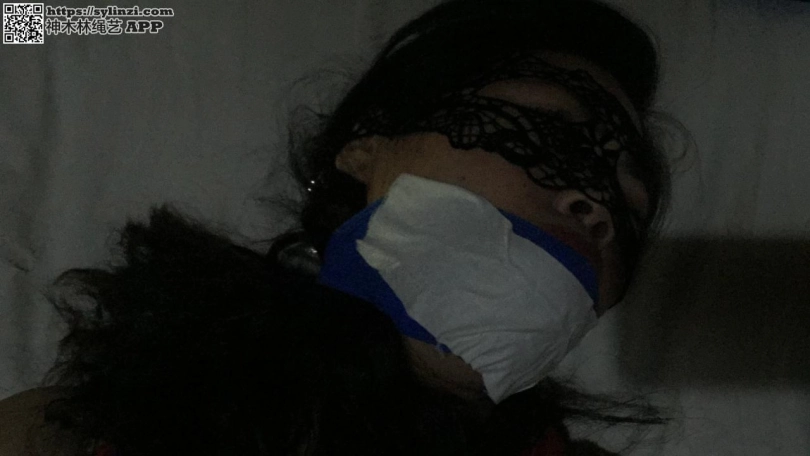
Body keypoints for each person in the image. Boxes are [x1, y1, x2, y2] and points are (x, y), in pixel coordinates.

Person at [0, 0, 681, 454]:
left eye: (631, 205)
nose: (598, 208)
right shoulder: (70, 430)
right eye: (551, 136)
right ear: (367, 148)